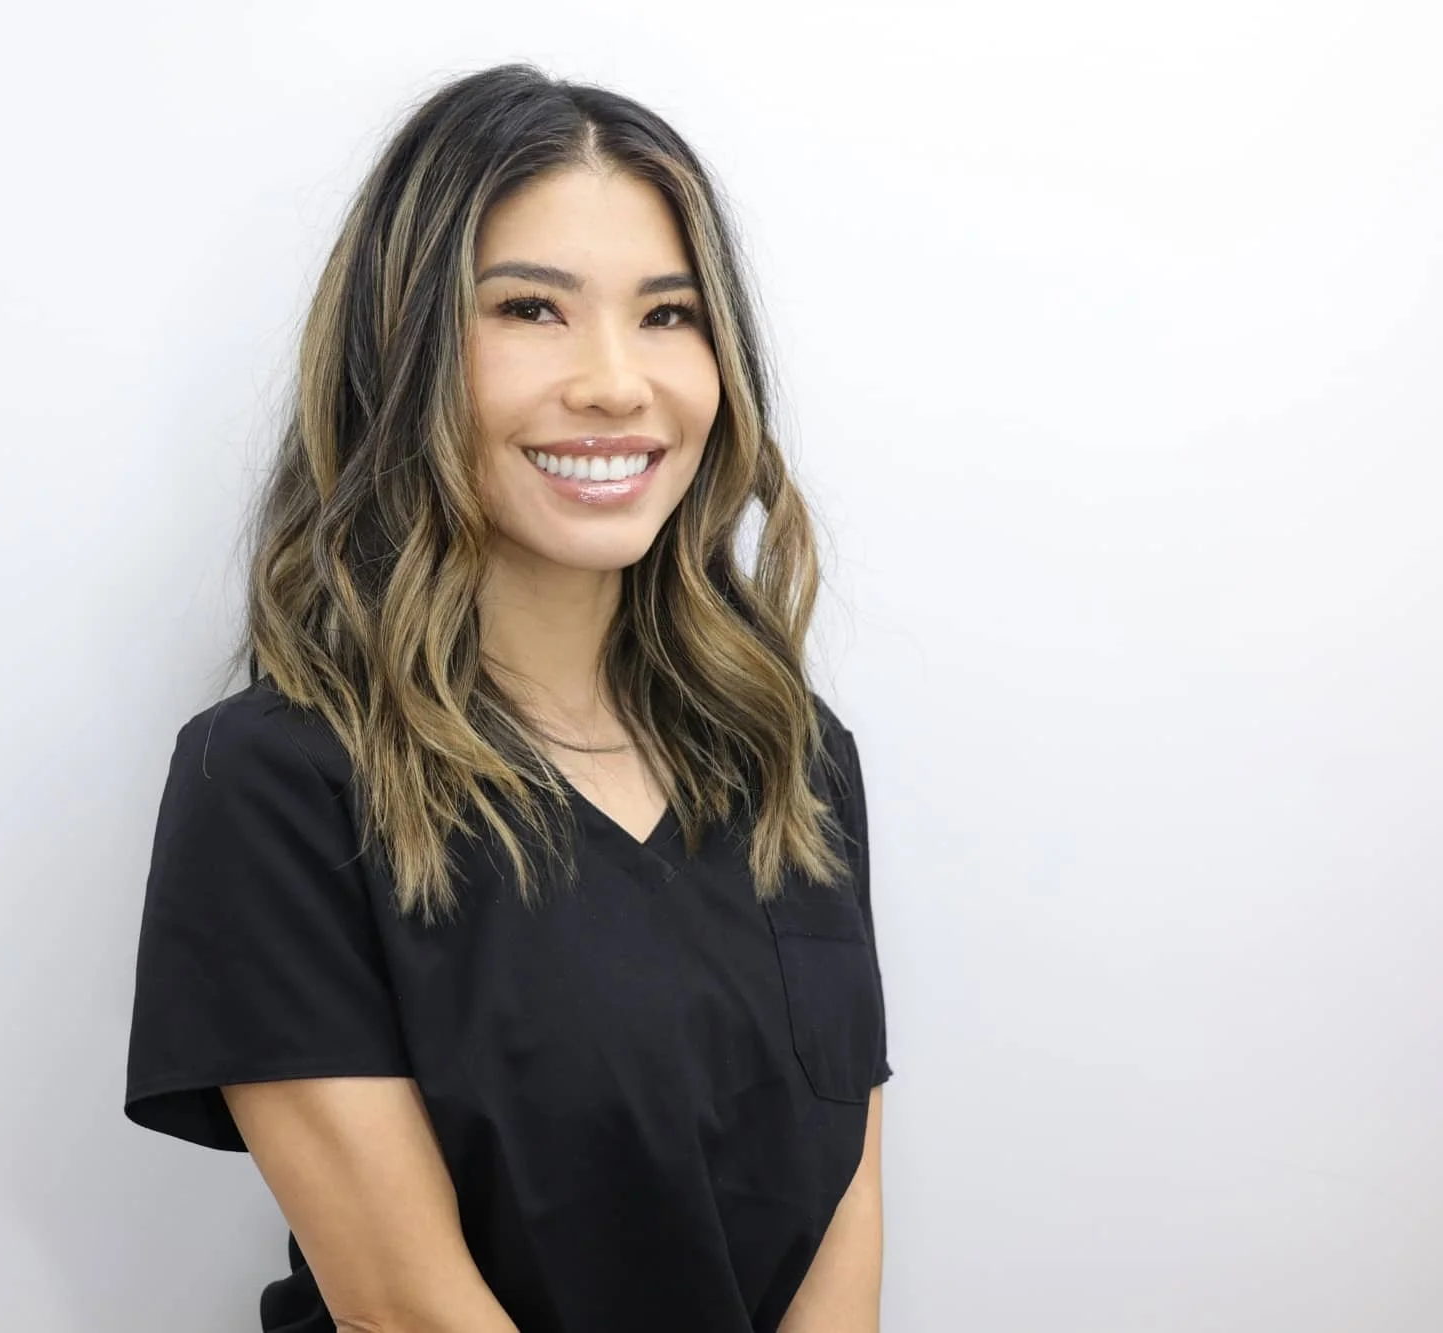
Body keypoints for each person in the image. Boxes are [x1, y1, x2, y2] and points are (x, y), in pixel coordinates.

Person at [124, 62, 891, 1333]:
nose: (613, 382)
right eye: (531, 309)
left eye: (668, 315)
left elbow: (844, 1210)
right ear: (406, 345)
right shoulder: (274, 785)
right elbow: (405, 1311)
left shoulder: (793, 760)